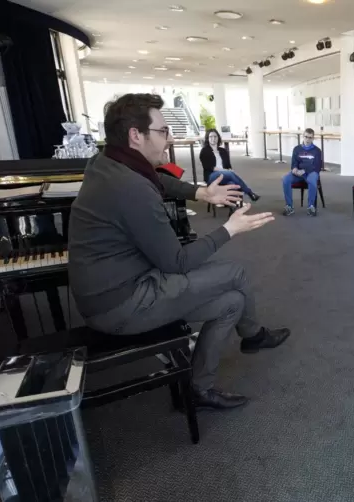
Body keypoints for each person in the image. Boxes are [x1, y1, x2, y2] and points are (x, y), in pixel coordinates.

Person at [68, 93, 291, 410]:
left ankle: (199, 389)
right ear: (136, 135)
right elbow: (177, 262)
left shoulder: (108, 163)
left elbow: (159, 180)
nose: (169, 138)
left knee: (232, 302)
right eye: (162, 131)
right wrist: (230, 229)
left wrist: (201, 192)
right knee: (235, 273)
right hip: (122, 304)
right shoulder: (129, 187)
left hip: (114, 291)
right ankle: (254, 337)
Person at [199, 128, 260, 201]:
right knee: (230, 174)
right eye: (211, 137)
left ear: (218, 138)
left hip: (225, 175)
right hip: (212, 176)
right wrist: (226, 171)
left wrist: (228, 170)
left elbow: (228, 166)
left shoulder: (223, 151)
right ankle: (249, 192)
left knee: (231, 184)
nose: (213, 139)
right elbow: (210, 167)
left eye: (215, 137)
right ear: (207, 138)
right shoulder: (204, 151)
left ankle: (232, 208)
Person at [282, 128, 322, 216]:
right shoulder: (297, 149)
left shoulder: (317, 151)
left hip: (311, 172)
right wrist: (295, 169)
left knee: (312, 181)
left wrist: (304, 170)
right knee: (286, 179)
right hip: (298, 173)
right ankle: (289, 206)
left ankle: (311, 207)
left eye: (310, 138)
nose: (307, 139)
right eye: (306, 137)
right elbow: (294, 163)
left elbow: (317, 166)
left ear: (313, 138)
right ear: (303, 137)